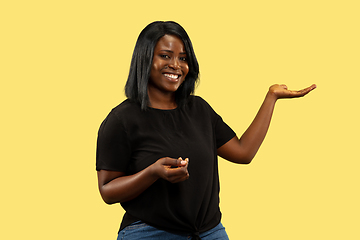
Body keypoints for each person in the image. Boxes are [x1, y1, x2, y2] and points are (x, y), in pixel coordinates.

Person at [96, 21, 316, 240]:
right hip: (151, 232)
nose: (176, 65)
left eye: (183, 58)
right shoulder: (121, 120)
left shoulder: (199, 109)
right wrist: (153, 173)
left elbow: (243, 152)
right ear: (145, 59)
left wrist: (271, 98)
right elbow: (107, 190)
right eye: (165, 56)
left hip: (209, 232)